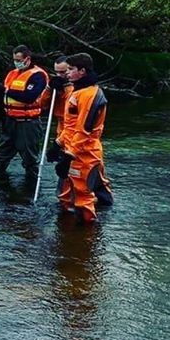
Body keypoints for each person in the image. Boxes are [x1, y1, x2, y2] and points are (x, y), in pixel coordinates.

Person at [55, 52, 114, 223]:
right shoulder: (76, 91)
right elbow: (70, 125)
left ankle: (87, 238)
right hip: (73, 149)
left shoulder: (90, 94)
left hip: (85, 153)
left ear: (82, 71)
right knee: (66, 194)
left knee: (83, 195)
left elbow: (84, 129)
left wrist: (69, 156)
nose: (67, 73)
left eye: (71, 69)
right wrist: (58, 144)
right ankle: (69, 233)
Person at [0, 44, 49, 182]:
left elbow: (29, 97)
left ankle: (31, 185)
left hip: (28, 123)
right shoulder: (12, 74)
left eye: (19, 59)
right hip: (10, 120)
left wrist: (4, 90)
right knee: (2, 154)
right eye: (15, 59)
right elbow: (5, 96)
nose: (16, 62)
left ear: (27, 59)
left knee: (29, 158)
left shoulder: (38, 75)